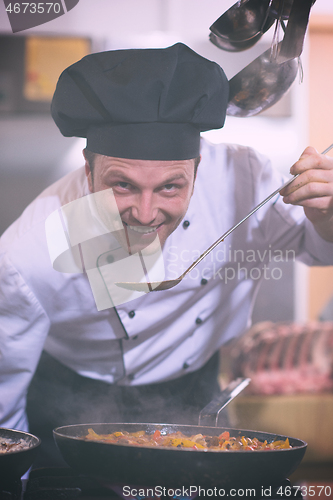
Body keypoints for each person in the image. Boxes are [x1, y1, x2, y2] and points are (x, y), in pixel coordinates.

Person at [0, 43, 333, 467]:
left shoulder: (245, 181)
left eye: (170, 187)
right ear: (88, 168)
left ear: (198, 166)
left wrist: (328, 214)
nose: (144, 212)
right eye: (121, 185)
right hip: (68, 407)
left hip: (195, 394)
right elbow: (3, 402)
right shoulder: (28, 254)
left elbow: (319, 250)